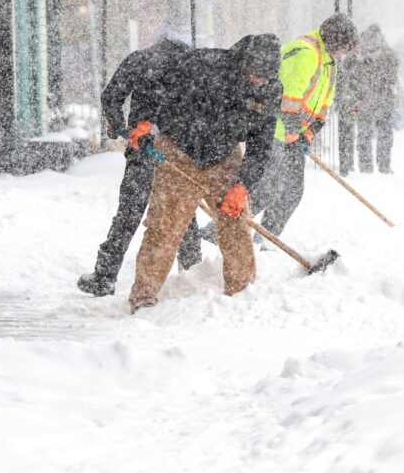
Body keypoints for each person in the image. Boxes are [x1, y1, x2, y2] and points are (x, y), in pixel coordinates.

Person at [128, 34, 283, 313]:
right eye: (255, 75)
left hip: (224, 156)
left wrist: (243, 185)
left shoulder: (270, 91)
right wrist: (142, 121)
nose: (259, 82)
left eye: (266, 77)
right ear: (243, 65)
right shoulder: (204, 64)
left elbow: (261, 146)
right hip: (179, 149)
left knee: (237, 222)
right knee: (165, 226)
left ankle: (243, 292)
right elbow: (152, 85)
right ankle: (143, 296)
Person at [77, 32, 202, 297]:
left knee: (129, 213)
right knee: (182, 212)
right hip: (177, 152)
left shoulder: (142, 59)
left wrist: (119, 126)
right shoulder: (191, 66)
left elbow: (111, 96)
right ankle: (192, 273)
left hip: (143, 149)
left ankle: (104, 276)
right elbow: (196, 111)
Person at [254, 13, 358, 238]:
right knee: (266, 190)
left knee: (290, 193)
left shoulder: (329, 62)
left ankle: (266, 239)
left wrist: (309, 134)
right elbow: (288, 98)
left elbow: (323, 107)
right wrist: (293, 134)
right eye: (346, 47)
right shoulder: (306, 53)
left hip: (293, 137)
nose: (346, 53)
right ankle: (218, 232)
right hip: (275, 132)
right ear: (336, 40)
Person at [338, 23, 400, 174]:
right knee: (364, 134)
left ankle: (384, 165)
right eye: (368, 41)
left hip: (383, 100)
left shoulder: (388, 55)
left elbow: (393, 76)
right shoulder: (356, 55)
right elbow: (345, 72)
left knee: (385, 134)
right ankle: (366, 167)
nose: (371, 44)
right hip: (363, 101)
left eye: (374, 40)